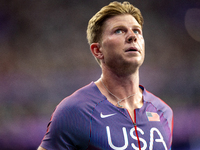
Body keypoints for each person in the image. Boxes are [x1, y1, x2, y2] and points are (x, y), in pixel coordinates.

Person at [38, 1, 173, 150]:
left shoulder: (163, 112)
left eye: (137, 31)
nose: (132, 36)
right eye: (119, 31)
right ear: (98, 50)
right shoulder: (74, 111)